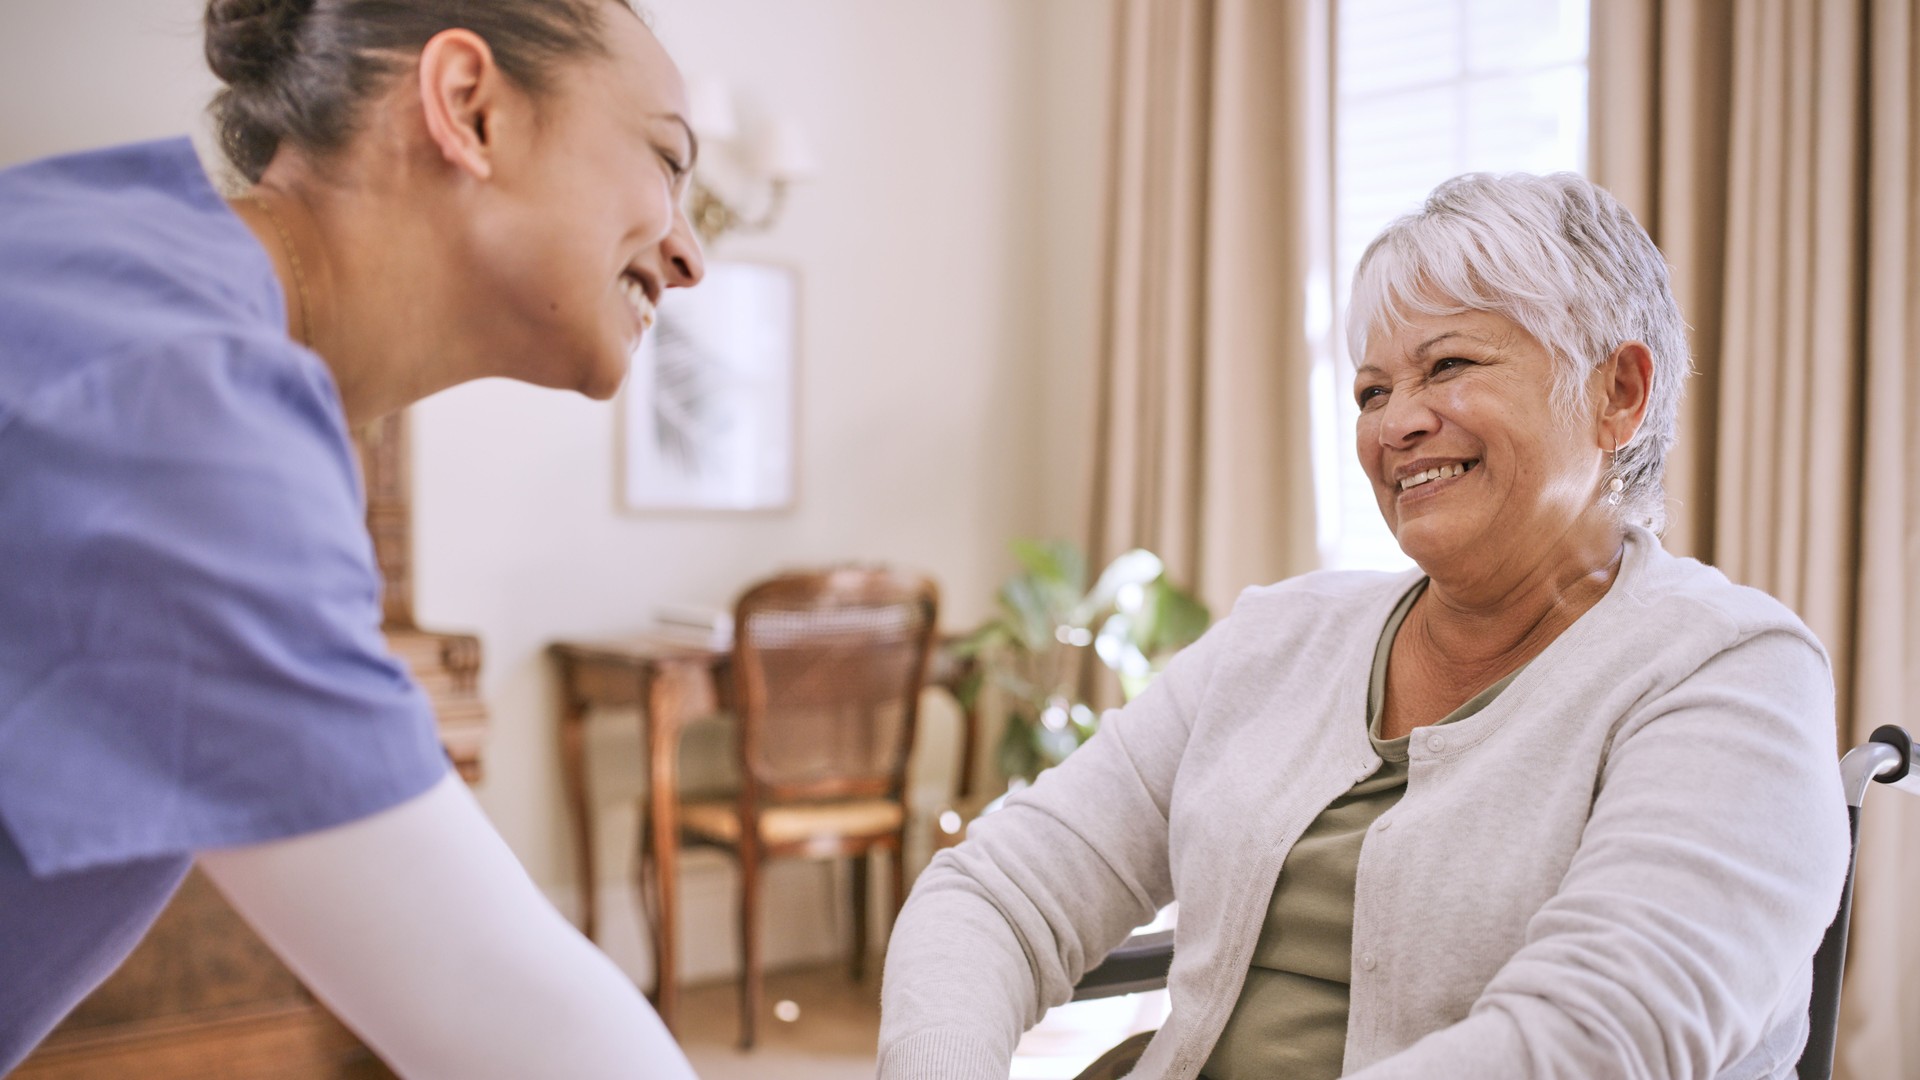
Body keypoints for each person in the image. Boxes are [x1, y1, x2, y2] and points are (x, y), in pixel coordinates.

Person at [877, 173, 1851, 1079]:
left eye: (1450, 366)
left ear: (1619, 394)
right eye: (1373, 390)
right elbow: (997, 894)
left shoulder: (1731, 672)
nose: (1395, 425)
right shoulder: (1280, 636)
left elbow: (1587, 1043)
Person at [0, 1, 704, 1075]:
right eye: (666, 158)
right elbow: (517, 1024)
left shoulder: (119, 279)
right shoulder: (178, 394)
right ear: (468, 107)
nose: (691, 253)